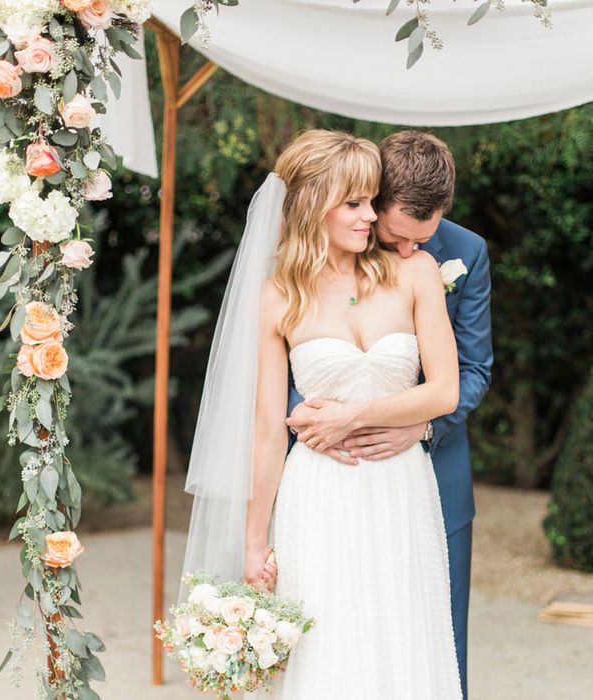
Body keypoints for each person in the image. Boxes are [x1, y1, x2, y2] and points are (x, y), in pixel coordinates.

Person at [180, 129, 463, 699]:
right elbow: (265, 428)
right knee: (332, 650)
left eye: (370, 201)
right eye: (355, 203)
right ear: (315, 206)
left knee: (407, 642)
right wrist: (255, 539)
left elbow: (445, 393)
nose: (370, 216)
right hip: (319, 496)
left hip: (401, 489)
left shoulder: (416, 274)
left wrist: (350, 416)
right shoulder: (278, 297)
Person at [287, 130, 493, 700]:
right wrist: (313, 423)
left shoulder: (464, 252)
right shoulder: (324, 247)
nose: (407, 251)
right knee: (335, 638)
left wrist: (421, 424)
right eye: (397, 235)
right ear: (373, 199)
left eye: (421, 239)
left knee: (434, 646)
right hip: (333, 471)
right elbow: (290, 364)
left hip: (433, 475)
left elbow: (473, 370)